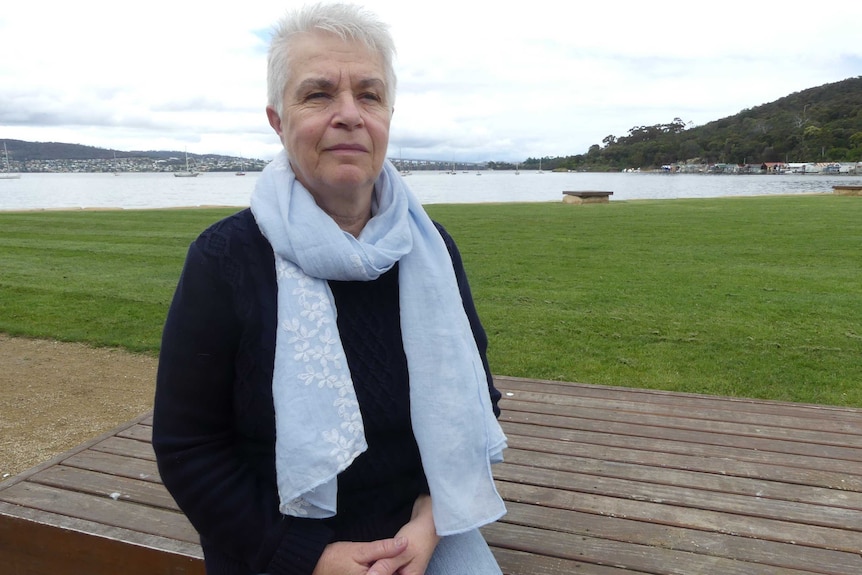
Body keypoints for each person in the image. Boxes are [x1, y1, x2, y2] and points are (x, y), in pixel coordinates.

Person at [152, 3, 507, 575]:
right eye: (318, 94)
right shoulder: (225, 259)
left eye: (369, 95)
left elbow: (475, 398)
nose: (349, 114)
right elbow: (188, 447)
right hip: (274, 543)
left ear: (389, 114)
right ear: (277, 119)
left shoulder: (430, 248)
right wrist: (306, 558)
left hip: (418, 524)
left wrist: (431, 517)